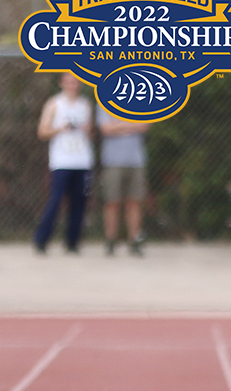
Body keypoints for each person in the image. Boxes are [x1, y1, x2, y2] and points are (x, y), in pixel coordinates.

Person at [34, 73, 93, 256]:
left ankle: (72, 242)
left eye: (75, 82)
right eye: (68, 81)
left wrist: (86, 129)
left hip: (82, 161)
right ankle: (41, 239)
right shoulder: (54, 104)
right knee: (56, 200)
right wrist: (60, 128)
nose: (72, 85)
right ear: (61, 83)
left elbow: (91, 133)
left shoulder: (85, 105)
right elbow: (42, 132)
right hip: (61, 161)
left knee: (79, 203)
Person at [97, 106, 149, 256]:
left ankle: (134, 241)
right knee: (112, 202)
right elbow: (105, 129)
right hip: (112, 161)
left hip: (136, 161)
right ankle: (111, 241)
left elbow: (144, 126)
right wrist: (132, 125)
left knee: (134, 202)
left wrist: (118, 126)